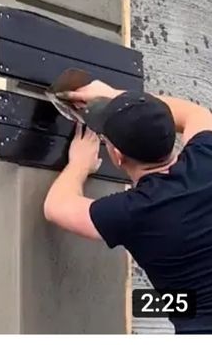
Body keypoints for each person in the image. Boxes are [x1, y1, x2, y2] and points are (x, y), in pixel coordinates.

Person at [43, 79, 212, 334]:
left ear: (117, 156)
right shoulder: (206, 157)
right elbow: (195, 114)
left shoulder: (133, 212)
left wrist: (79, 164)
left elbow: (56, 207)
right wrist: (118, 97)